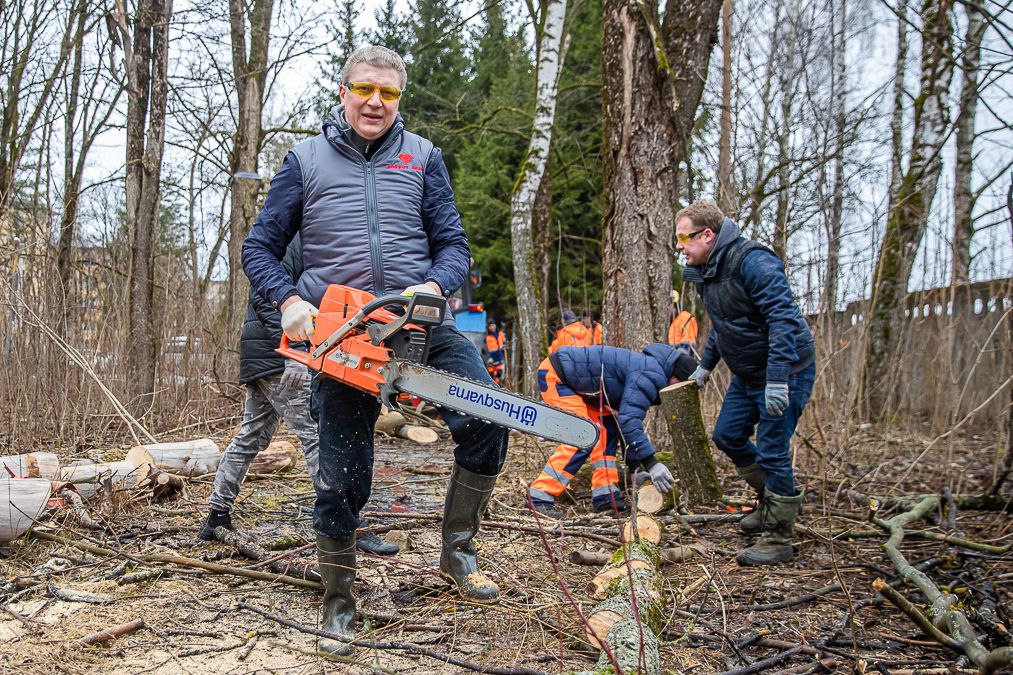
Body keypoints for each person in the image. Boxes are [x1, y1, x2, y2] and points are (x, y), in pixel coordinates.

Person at [241, 45, 509, 655]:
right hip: (344, 331)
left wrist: (436, 285)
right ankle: (339, 599)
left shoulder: (424, 158)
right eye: (364, 89)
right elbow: (258, 248)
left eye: (388, 94)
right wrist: (288, 300)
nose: (374, 102)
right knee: (342, 471)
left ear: (399, 100)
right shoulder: (304, 160)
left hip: (418, 320)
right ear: (343, 92)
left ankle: (457, 553)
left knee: (489, 418)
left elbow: (455, 246)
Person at [199, 236, 397, 557]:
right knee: (318, 435)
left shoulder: (309, 244)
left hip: (263, 354)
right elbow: (268, 298)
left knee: (250, 437)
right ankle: (344, 525)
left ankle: (216, 515)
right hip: (279, 356)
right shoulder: (294, 242)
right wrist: (296, 353)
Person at [677, 202, 816, 566]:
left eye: (684, 238)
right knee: (727, 434)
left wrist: (777, 380)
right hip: (748, 371)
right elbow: (725, 326)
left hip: (785, 369)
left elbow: (783, 319)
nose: (680, 247)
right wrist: (705, 367)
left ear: (707, 235)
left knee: (772, 448)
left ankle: (779, 536)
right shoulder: (708, 271)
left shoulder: (752, 261)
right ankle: (769, 502)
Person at [527, 343, 698, 518]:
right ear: (677, 378)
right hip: (558, 376)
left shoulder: (653, 369)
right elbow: (629, 420)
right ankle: (539, 495)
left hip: (582, 388)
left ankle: (605, 494)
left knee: (608, 429)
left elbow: (627, 425)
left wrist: (634, 469)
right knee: (581, 436)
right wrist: (652, 463)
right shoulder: (651, 375)